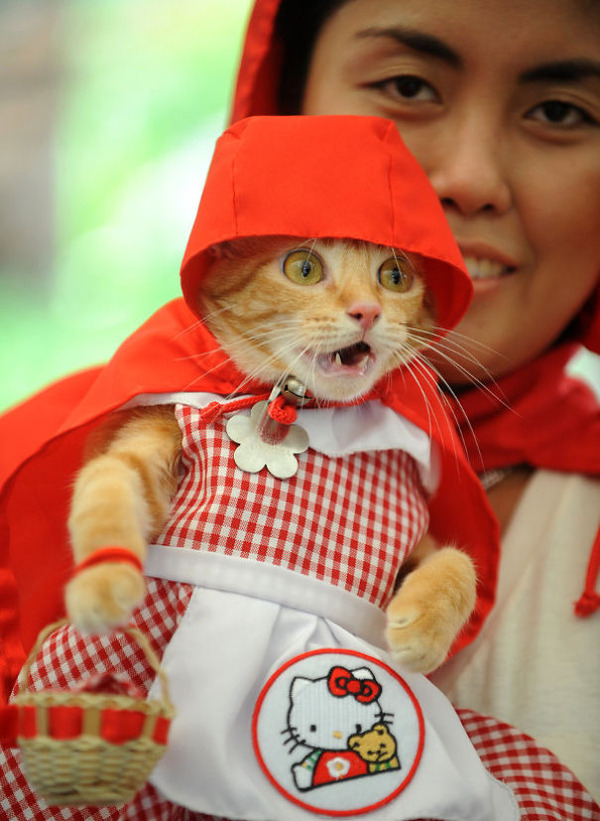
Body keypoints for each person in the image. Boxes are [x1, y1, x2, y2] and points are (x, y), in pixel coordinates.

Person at [0, 0, 598, 817]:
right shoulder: (51, 446)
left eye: (561, 111)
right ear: (280, 101)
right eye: (408, 85)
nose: (469, 178)